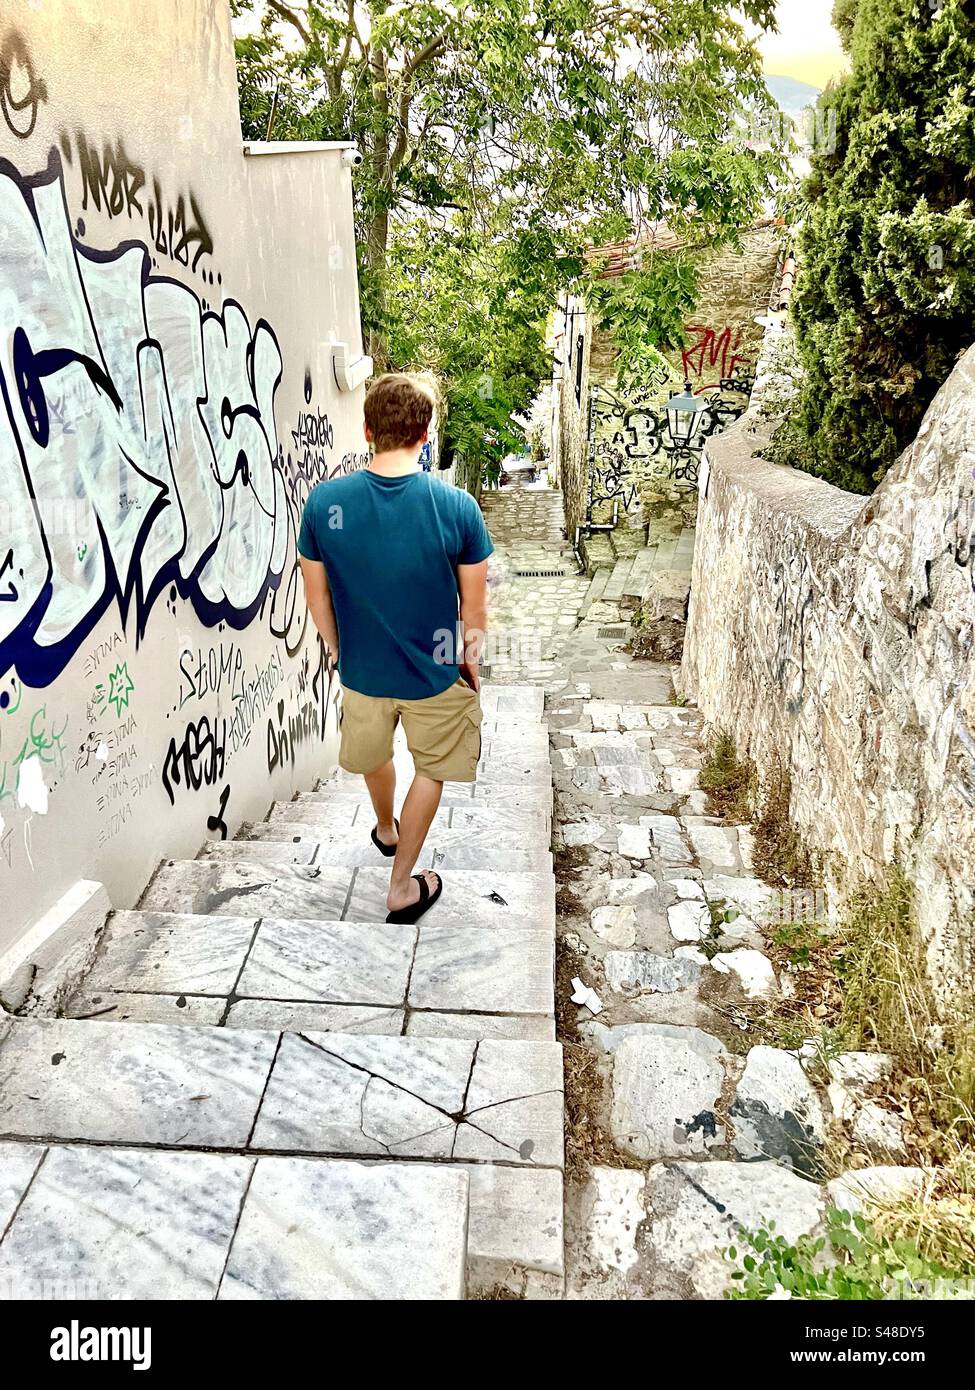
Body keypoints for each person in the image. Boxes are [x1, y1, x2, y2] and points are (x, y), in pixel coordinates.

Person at [297, 372, 493, 924]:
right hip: (434, 675)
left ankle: (386, 826)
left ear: (366, 431)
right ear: (426, 433)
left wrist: (342, 649)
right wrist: (470, 662)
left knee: (374, 755)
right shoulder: (458, 508)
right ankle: (402, 885)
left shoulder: (324, 505)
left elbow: (318, 600)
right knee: (432, 769)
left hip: (363, 672)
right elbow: (472, 611)